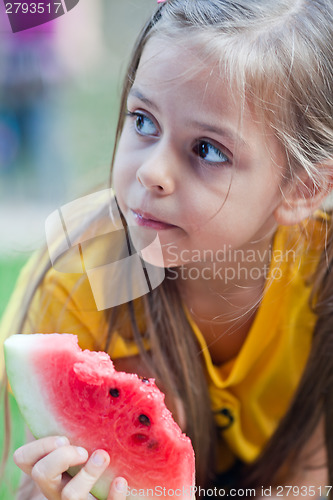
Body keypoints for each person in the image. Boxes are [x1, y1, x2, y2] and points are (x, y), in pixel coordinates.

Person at [1, 0, 333, 498]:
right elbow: (38, 473)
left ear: (302, 189)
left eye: (207, 149)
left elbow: (307, 480)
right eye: (142, 120)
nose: (150, 172)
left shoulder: (320, 273)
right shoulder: (81, 282)